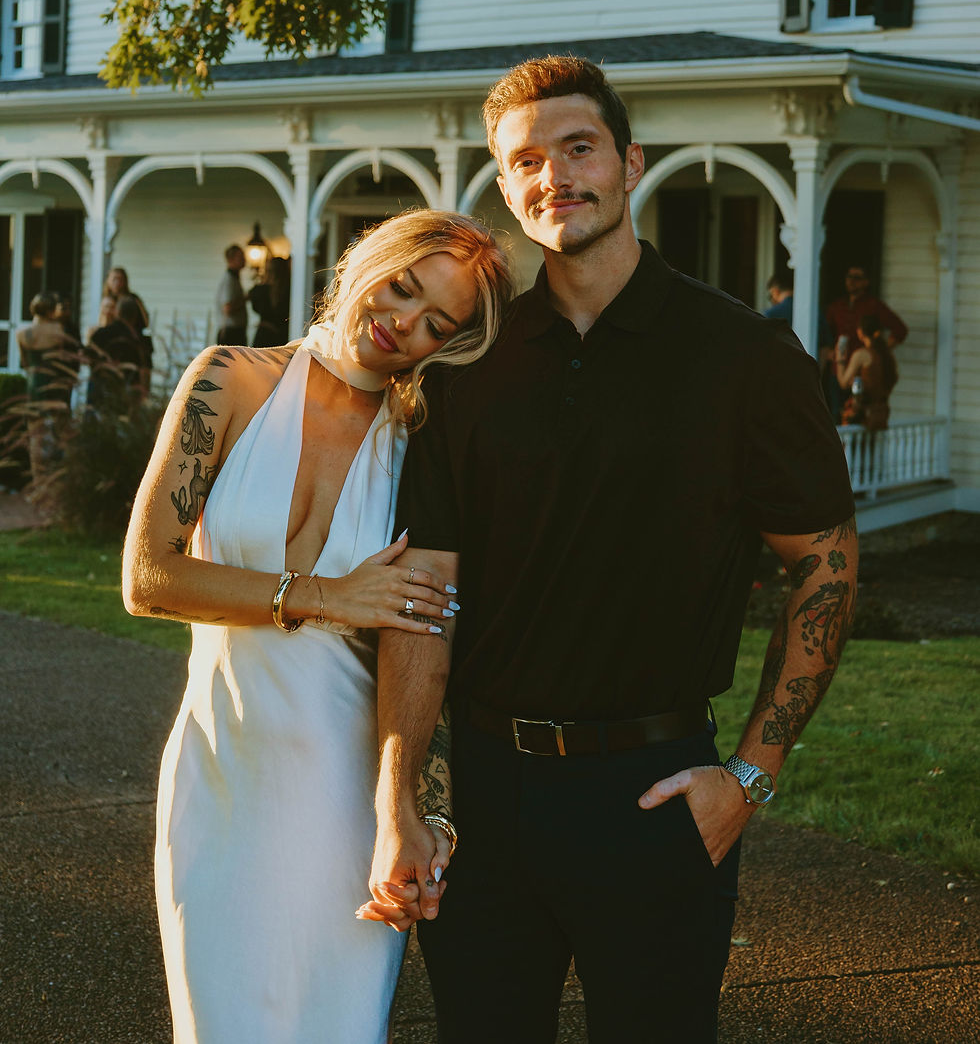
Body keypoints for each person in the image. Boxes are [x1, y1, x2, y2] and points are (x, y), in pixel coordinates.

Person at [366, 56, 858, 1044]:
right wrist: (400, 803)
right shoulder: (471, 361)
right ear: (506, 190)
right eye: (526, 162)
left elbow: (824, 568)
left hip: (654, 793)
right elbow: (425, 595)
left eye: (578, 147)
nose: (556, 176)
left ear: (629, 163)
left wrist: (748, 778)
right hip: (488, 799)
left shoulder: (743, 358)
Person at [121, 209, 512, 1044]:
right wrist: (328, 597)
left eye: (435, 324)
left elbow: (430, 644)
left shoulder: (421, 445)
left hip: (348, 801)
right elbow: (148, 577)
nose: (402, 323)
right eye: (403, 287)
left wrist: (419, 813)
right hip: (221, 773)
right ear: (370, 258)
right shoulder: (228, 379)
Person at [15, 292, 77, 482]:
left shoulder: (22, 334)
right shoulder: (59, 331)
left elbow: (24, 363)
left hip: (35, 386)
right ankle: (61, 480)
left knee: (36, 434)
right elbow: (66, 359)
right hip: (56, 386)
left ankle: (39, 481)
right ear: (51, 311)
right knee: (62, 432)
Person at [824, 264, 907, 361]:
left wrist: (880, 352)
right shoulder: (837, 306)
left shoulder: (873, 305)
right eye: (849, 277)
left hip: (862, 367)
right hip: (839, 366)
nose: (852, 281)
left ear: (866, 282)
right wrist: (828, 351)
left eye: (857, 278)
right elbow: (825, 332)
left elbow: (900, 329)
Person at [836, 313, 899, 431]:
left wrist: (840, 359)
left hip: (862, 416)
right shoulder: (885, 354)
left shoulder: (862, 354)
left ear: (860, 332)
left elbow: (843, 382)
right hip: (880, 415)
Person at [87, 294, 153, 408]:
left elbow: (89, 357)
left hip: (101, 391)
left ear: (117, 312)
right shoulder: (141, 341)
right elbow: (145, 370)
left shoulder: (100, 334)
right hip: (129, 395)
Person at [248, 255, 291, 347]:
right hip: (282, 336)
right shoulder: (289, 291)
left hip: (264, 333)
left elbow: (255, 307)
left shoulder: (259, 290)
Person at [215, 244, 248, 345]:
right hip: (231, 333)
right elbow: (228, 308)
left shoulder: (234, 279)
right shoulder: (229, 280)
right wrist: (246, 298)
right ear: (231, 259)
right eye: (240, 257)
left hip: (235, 331)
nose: (244, 259)